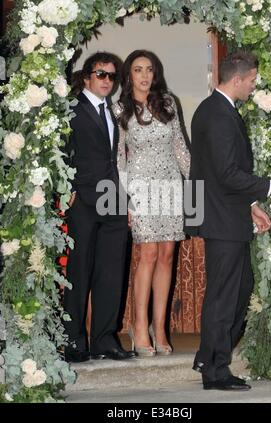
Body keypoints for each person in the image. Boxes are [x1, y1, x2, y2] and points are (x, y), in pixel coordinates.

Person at [186, 50, 271, 390]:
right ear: (237, 79)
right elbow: (227, 173)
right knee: (225, 295)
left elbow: (220, 172)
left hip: (226, 212)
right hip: (220, 219)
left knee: (239, 288)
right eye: (251, 81)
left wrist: (250, 204)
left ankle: (209, 356)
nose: (252, 86)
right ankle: (215, 371)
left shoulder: (216, 109)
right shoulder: (218, 114)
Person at [112, 50, 190, 356]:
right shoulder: (120, 108)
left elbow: (181, 147)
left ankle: (160, 328)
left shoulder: (168, 102)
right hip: (140, 187)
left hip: (171, 185)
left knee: (167, 255)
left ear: (155, 74)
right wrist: (126, 198)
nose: (144, 76)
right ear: (129, 76)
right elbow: (119, 157)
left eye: (149, 70)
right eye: (137, 70)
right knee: (147, 254)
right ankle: (138, 325)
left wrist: (197, 186)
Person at [64, 52, 135, 362]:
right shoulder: (71, 110)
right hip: (83, 199)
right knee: (79, 271)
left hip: (113, 200)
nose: (108, 80)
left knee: (110, 273)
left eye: (112, 75)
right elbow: (60, 151)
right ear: (86, 78)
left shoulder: (115, 111)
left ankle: (104, 339)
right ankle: (74, 341)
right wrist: (65, 188)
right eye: (101, 74)